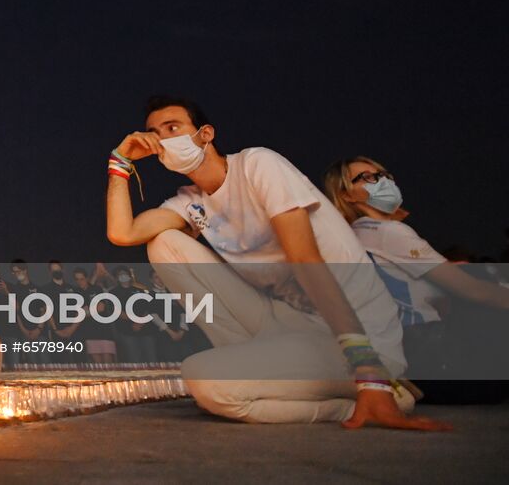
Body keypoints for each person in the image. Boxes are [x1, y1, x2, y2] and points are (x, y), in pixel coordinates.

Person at [105, 95, 445, 429]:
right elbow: (123, 233)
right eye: (155, 132)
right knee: (165, 244)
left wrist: (367, 370)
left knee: (204, 381)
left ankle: (379, 390)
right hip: (289, 324)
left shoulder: (258, 165)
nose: (163, 138)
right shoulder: (189, 203)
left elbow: (305, 259)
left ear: (204, 134)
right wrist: (120, 161)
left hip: (355, 334)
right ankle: (274, 373)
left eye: (173, 127)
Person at [323, 156, 509, 403]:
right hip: (437, 359)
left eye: (385, 174)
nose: (384, 180)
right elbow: (474, 291)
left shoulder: (357, 236)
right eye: (369, 177)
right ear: (346, 195)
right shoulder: (388, 232)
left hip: (413, 361)